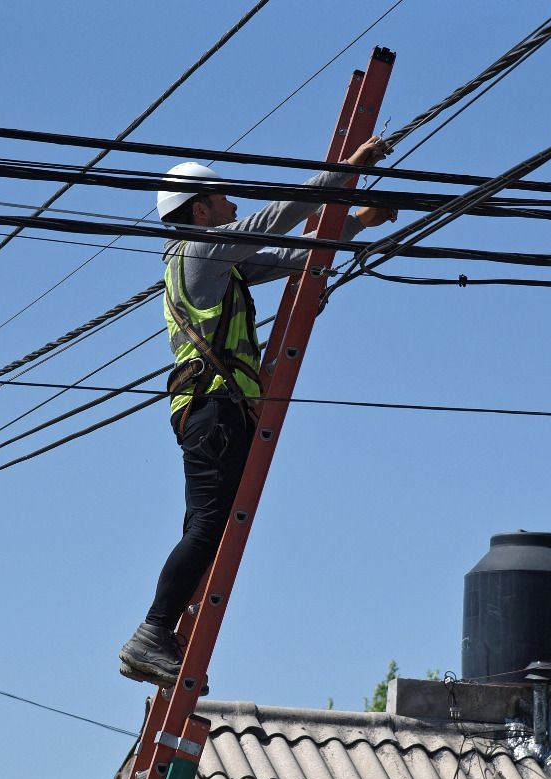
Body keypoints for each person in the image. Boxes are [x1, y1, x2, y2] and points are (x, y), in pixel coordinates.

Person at [119, 137, 397, 688]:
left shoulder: (219, 265)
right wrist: (344, 172)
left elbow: (295, 256)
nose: (235, 206)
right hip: (214, 409)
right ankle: (151, 633)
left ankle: (161, 631)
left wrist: (358, 221)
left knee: (206, 526)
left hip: (214, 411)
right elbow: (278, 216)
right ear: (200, 210)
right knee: (207, 526)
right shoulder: (201, 250)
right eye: (224, 199)